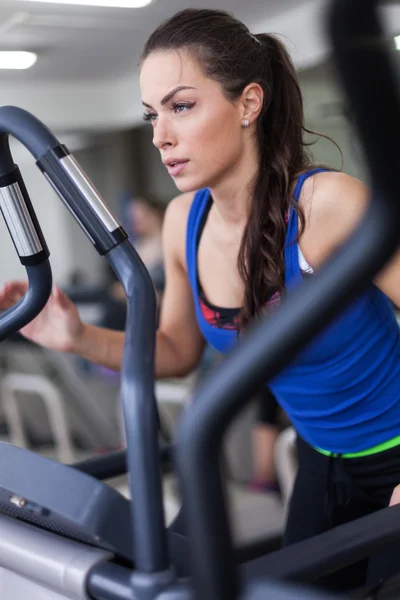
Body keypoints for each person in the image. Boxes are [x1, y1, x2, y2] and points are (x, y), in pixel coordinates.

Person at [1, 7, 400, 592]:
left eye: (181, 106)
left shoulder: (325, 207)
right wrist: (77, 337)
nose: (161, 136)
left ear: (248, 104)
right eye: (151, 115)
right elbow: (177, 350)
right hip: (321, 461)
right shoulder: (184, 222)